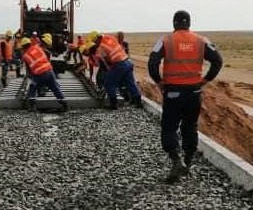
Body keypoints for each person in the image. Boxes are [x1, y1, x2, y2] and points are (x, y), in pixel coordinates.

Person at [148, 10, 223, 184]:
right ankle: (187, 163)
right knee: (190, 127)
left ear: (174, 23)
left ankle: (177, 161)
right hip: (194, 92)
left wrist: (159, 82)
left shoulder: (165, 40)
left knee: (169, 127)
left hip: (173, 91)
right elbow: (218, 61)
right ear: (189, 23)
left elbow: (153, 63)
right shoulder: (202, 41)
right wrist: (205, 80)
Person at [85, 30, 143, 109]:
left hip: (119, 64)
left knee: (109, 83)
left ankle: (113, 104)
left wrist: (110, 70)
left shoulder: (101, 47)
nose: (95, 44)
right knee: (130, 83)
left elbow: (107, 62)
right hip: (128, 62)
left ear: (96, 39)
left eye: (94, 42)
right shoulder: (109, 37)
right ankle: (138, 102)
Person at [20, 35, 68, 112]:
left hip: (39, 74)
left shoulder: (25, 56)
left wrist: (33, 79)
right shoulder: (37, 47)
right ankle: (65, 105)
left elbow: (29, 71)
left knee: (32, 87)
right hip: (50, 71)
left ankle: (32, 107)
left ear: (23, 47)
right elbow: (45, 51)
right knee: (55, 88)